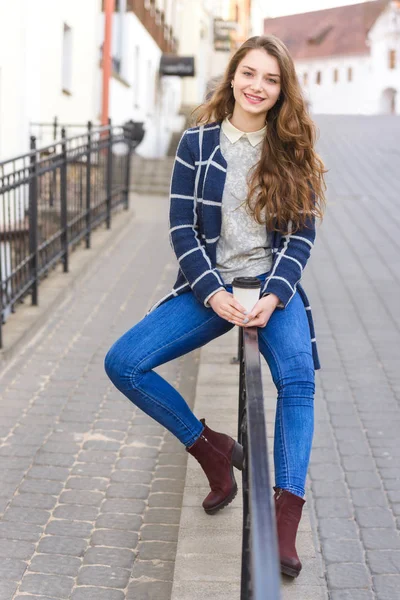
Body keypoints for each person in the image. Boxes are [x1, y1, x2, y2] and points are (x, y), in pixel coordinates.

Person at [105, 34, 326, 578]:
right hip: (211, 289)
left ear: (282, 90)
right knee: (124, 362)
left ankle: (283, 521)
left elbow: (300, 237)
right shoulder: (198, 143)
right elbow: (181, 227)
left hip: (273, 286)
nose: (258, 86)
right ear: (232, 76)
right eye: (249, 74)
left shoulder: (290, 146)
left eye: (271, 79)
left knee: (298, 379)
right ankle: (209, 448)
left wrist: (274, 295)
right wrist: (214, 293)